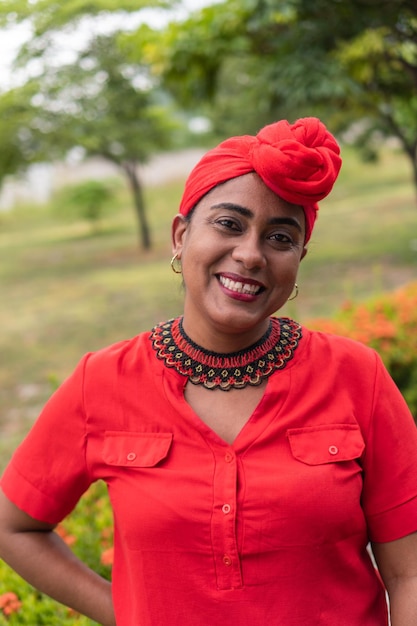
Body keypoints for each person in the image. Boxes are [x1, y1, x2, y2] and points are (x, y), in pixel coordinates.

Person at [1, 117, 417, 626]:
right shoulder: (103, 382)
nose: (250, 254)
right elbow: (13, 526)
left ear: (299, 258)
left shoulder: (357, 376)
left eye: (280, 238)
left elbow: (409, 573)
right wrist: (128, 613)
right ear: (180, 236)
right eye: (228, 223)